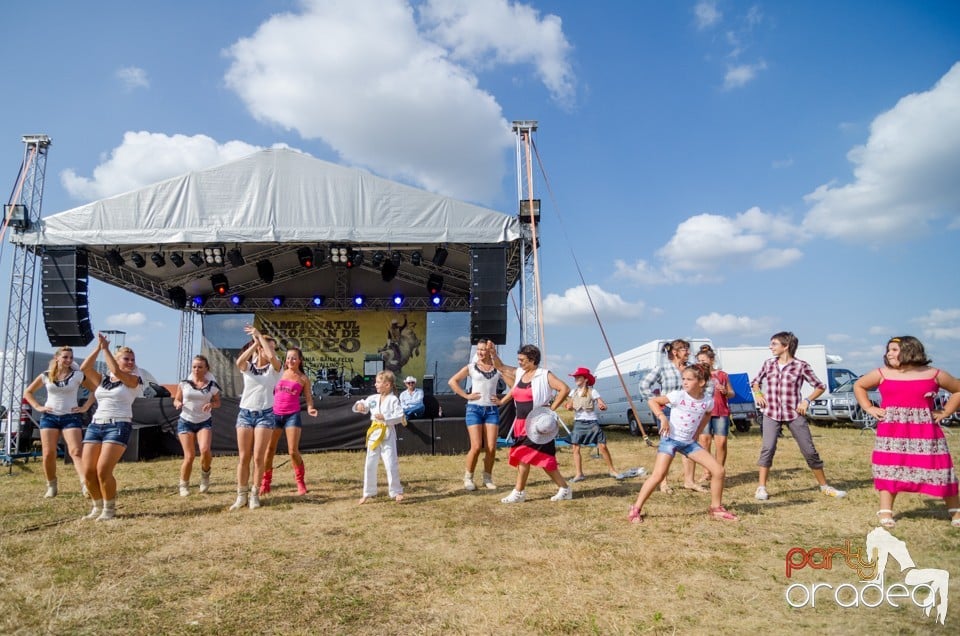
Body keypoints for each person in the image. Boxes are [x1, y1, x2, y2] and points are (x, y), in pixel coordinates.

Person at [853, 336, 960, 529]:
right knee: (889, 467)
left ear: (910, 350)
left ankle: (955, 511)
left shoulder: (934, 374)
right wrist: (868, 407)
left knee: (941, 468)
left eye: (894, 349)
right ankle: (886, 511)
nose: (889, 353)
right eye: (888, 350)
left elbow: (958, 390)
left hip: (925, 431)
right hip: (892, 431)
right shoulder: (882, 373)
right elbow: (859, 385)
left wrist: (945, 411)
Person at [629, 363, 737, 523]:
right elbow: (653, 401)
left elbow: (707, 414)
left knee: (719, 471)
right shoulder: (678, 395)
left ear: (701, 383)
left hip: (688, 443)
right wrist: (662, 417)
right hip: (670, 440)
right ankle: (636, 509)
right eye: (683, 379)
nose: (684, 382)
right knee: (658, 475)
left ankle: (716, 508)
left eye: (689, 379)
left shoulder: (708, 401)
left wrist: (697, 432)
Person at [752, 331, 846, 501]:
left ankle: (825, 486)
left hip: (793, 413)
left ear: (786, 346)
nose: (770, 347)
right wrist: (758, 394)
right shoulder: (768, 364)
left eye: (774, 344)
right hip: (771, 413)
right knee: (768, 448)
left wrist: (806, 401)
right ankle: (761, 488)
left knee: (809, 450)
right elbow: (755, 381)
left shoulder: (801, 366)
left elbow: (819, 386)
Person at [78, 333, 144, 521]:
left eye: (132, 360)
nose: (130, 362)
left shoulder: (134, 380)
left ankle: (109, 509)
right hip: (96, 424)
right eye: (127, 359)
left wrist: (106, 349)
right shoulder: (103, 379)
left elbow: (115, 369)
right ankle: (97, 506)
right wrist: (99, 348)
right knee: (88, 471)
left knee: (103, 470)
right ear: (117, 359)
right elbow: (85, 368)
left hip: (118, 424)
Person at [498, 344, 572, 503]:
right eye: (518, 359)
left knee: (525, 456)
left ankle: (519, 492)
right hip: (521, 424)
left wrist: (550, 409)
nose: (519, 363)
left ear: (532, 360)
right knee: (544, 460)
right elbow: (501, 367)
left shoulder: (544, 374)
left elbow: (564, 389)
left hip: (537, 425)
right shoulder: (520, 374)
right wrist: (491, 353)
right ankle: (564, 488)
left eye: (522, 360)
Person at [638, 339, 714, 493]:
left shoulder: (691, 369)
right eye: (685, 349)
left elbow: (705, 385)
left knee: (689, 443)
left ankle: (689, 481)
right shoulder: (663, 368)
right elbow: (643, 385)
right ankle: (663, 482)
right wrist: (658, 404)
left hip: (689, 411)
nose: (688, 352)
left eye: (687, 348)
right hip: (668, 411)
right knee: (667, 447)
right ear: (675, 351)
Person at [23, 346, 97, 498]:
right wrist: (38, 406)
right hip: (50, 417)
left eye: (71, 357)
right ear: (56, 358)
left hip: (71, 417)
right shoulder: (46, 375)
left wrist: (85, 407)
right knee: (49, 453)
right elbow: (28, 392)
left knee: (76, 451)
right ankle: (51, 484)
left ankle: (85, 484)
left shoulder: (77, 375)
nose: (69, 360)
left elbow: (95, 390)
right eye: (65, 357)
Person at [230, 325, 281, 511]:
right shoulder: (249, 367)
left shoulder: (275, 369)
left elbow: (273, 359)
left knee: (258, 457)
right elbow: (239, 363)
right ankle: (241, 495)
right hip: (245, 413)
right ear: (259, 348)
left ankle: (255, 494)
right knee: (244, 457)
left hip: (265, 414)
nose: (272, 350)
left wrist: (260, 337)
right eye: (269, 347)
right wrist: (256, 343)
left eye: (274, 348)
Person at [262, 347, 318, 496]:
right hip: (274, 414)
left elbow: (308, 398)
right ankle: (265, 482)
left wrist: (311, 408)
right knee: (269, 449)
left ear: (300, 360)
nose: (290, 361)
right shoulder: (278, 373)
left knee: (293, 451)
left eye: (294, 358)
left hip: (292, 415)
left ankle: (300, 482)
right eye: (288, 358)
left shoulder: (303, 378)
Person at [448, 339, 502, 491]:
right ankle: (468, 477)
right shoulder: (471, 367)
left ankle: (487, 477)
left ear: (490, 351)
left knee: (491, 447)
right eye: (478, 349)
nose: (480, 352)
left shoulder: (497, 368)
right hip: (474, 409)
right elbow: (453, 381)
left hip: (491, 410)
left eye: (483, 349)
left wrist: (502, 400)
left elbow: (514, 384)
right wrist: (466, 396)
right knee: (477, 446)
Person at [563, 366, 624, 481]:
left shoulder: (593, 391)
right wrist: (568, 407)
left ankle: (612, 470)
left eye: (578, 377)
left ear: (585, 379)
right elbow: (569, 406)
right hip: (578, 422)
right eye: (575, 377)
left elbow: (602, 404)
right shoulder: (573, 392)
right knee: (575, 448)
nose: (575, 379)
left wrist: (602, 406)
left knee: (603, 446)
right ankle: (579, 474)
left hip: (592, 422)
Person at [172, 355, 220, 497]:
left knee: (205, 450)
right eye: (194, 367)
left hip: (204, 421)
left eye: (200, 367)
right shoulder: (184, 384)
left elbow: (218, 402)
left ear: (206, 369)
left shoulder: (212, 386)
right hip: (185, 421)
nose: (196, 369)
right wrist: (178, 404)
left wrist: (211, 404)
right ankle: (184, 484)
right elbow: (176, 399)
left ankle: (205, 474)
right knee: (190, 456)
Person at [356, 370, 406, 504]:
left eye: (378, 382)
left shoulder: (393, 399)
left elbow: (400, 416)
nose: (376, 385)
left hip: (388, 433)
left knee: (390, 463)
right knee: (370, 463)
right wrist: (359, 406)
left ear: (387, 385)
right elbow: (364, 406)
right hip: (374, 433)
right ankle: (368, 492)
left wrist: (386, 418)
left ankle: (396, 491)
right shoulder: (373, 399)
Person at [694, 345, 734, 484]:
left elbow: (732, 393)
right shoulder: (697, 376)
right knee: (704, 441)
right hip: (704, 412)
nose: (700, 363)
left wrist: (725, 392)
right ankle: (706, 472)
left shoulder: (722, 375)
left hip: (721, 411)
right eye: (698, 360)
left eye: (703, 360)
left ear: (711, 360)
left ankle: (719, 471)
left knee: (721, 443)